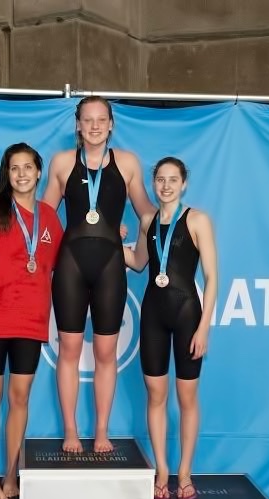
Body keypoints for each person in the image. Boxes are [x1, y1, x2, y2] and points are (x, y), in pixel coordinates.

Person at [43, 96, 157, 454]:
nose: (94, 126)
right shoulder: (62, 163)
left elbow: (147, 212)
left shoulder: (127, 163)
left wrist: (172, 225)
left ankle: (103, 431)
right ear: (77, 125)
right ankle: (71, 431)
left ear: (111, 124)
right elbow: (45, 217)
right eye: (87, 120)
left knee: (106, 351)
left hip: (110, 265)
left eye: (101, 119)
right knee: (70, 350)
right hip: (71, 265)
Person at [0, 143, 64, 499]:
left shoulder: (50, 219)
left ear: (39, 173)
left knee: (19, 399)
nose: (21, 174)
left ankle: (10, 474)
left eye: (28, 168)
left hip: (30, 322)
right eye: (14, 168)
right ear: (8, 174)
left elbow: (59, 266)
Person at [123, 157, 217, 499]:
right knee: (155, 395)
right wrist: (111, 240)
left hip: (188, 314)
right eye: (160, 179)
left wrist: (204, 327)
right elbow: (137, 263)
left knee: (187, 397)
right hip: (153, 314)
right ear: (153, 182)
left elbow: (212, 278)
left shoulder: (197, 220)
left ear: (184, 183)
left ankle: (185, 472)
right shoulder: (147, 220)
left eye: (172, 179)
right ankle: (162, 469)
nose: (165, 186)